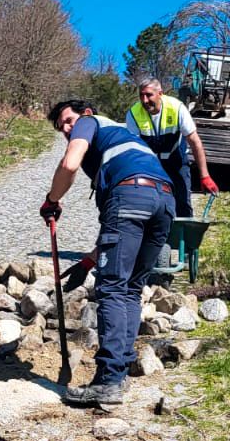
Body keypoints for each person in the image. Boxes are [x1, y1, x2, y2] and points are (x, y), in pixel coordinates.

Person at [40, 102, 175, 406]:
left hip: (130, 195)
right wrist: (89, 261)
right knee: (129, 288)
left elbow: (69, 164)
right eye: (61, 126)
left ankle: (109, 380)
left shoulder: (90, 123)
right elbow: (127, 226)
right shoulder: (125, 138)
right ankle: (120, 373)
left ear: (85, 112)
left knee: (112, 288)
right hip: (164, 201)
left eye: (68, 121)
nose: (66, 129)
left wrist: (51, 201)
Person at [124, 76, 218, 216]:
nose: (144, 100)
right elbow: (132, 151)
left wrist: (205, 176)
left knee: (182, 204)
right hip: (151, 167)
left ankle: (183, 236)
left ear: (160, 94)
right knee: (151, 206)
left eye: (149, 95)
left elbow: (195, 142)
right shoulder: (133, 114)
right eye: (141, 95)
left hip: (177, 163)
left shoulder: (177, 108)